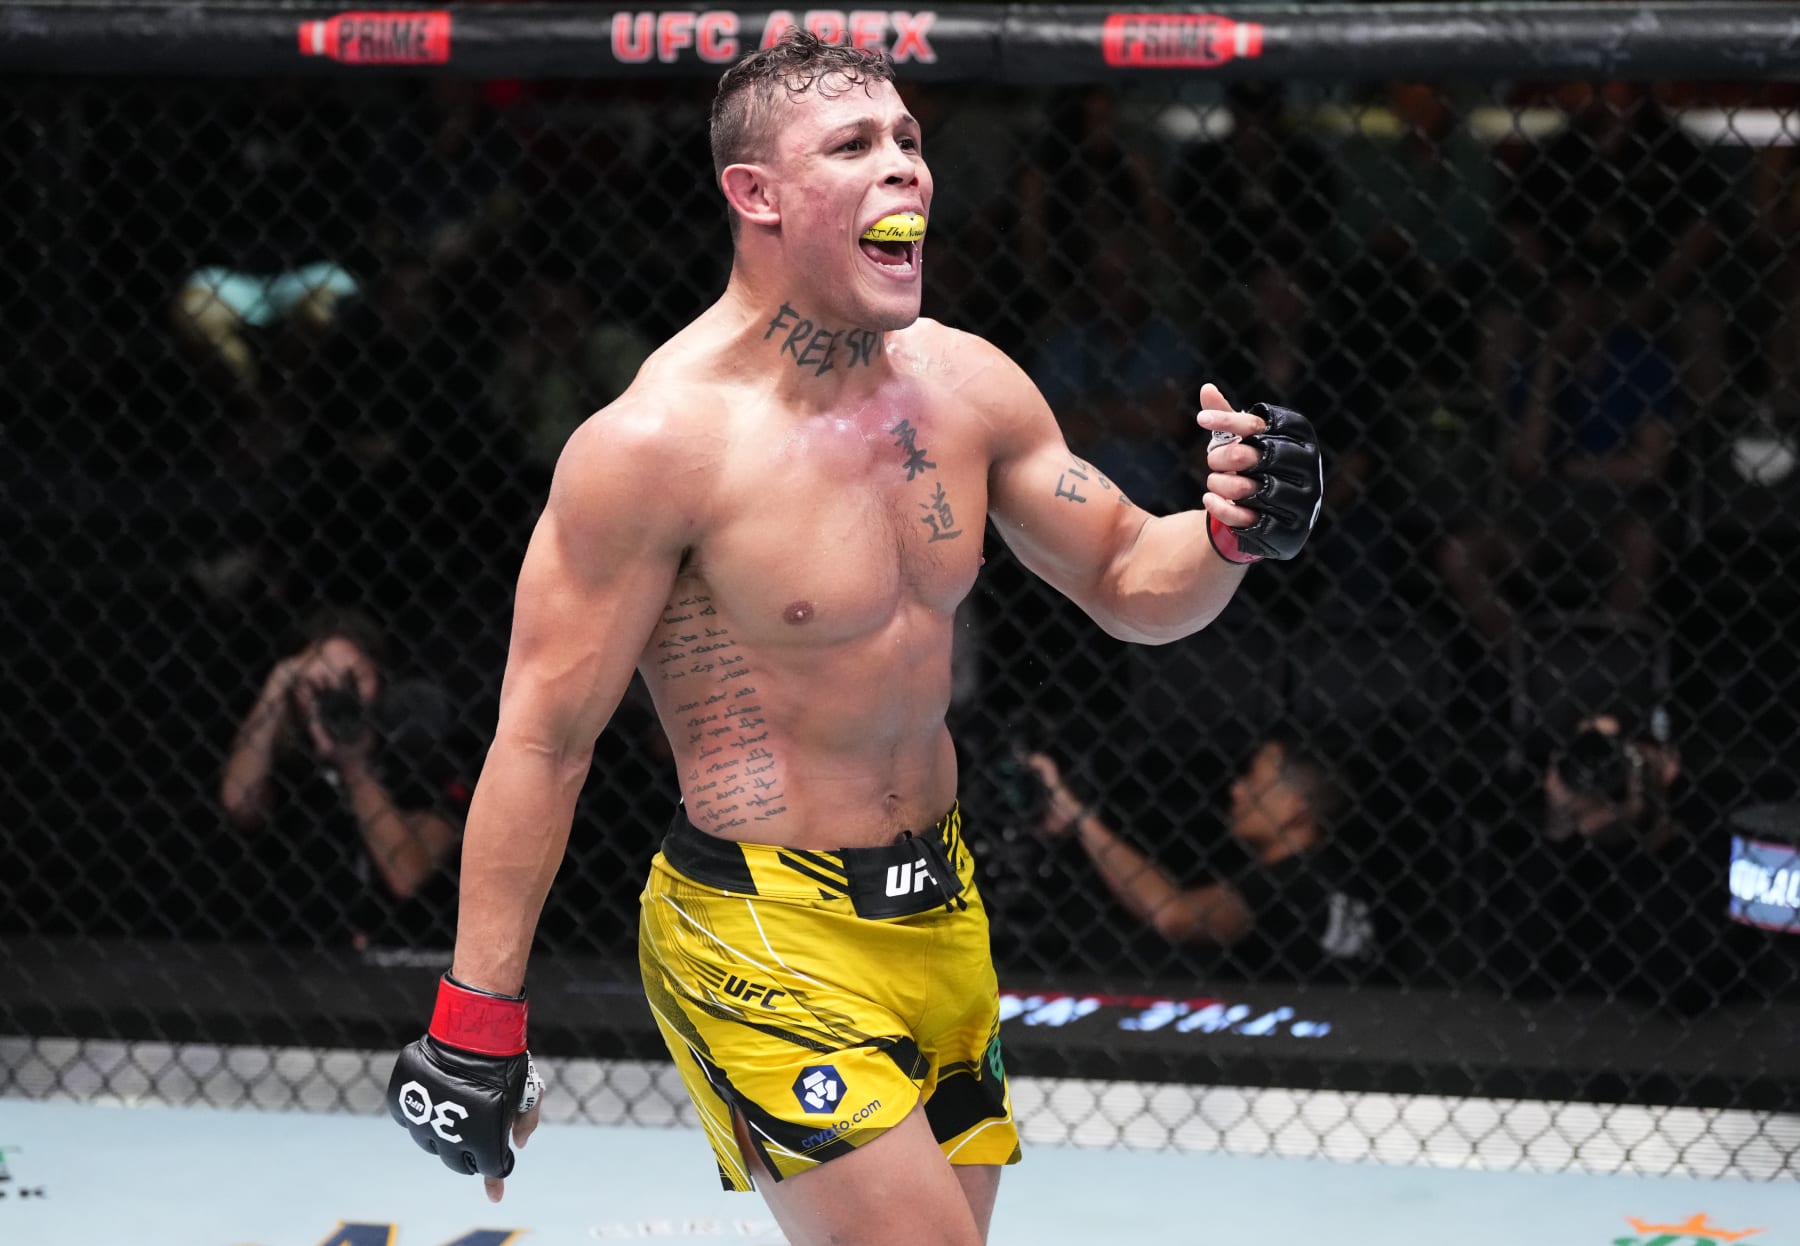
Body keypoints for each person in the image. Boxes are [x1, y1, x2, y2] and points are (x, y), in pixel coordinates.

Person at [385, 32, 1323, 1246]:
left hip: (941, 907)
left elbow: (1130, 575)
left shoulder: (969, 387)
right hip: (757, 930)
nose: (905, 171)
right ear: (755, 195)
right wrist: (477, 1012)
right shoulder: (658, 444)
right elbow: (544, 738)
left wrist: (1236, 533)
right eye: (854, 146)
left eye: (909, 141)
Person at [1024, 737, 1378, 982]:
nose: (1236, 789)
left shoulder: (1293, 883)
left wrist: (1080, 818)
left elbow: (1173, 915)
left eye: (1254, 781)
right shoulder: (1338, 878)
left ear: (1293, 807)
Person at [220, 608, 467, 951]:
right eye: (321, 680)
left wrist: (354, 766)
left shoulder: (420, 761)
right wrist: (281, 679)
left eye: (354, 679)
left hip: (406, 963)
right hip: (295, 964)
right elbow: (240, 805)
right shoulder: (282, 762)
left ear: (381, 681)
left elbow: (407, 874)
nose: (337, 692)